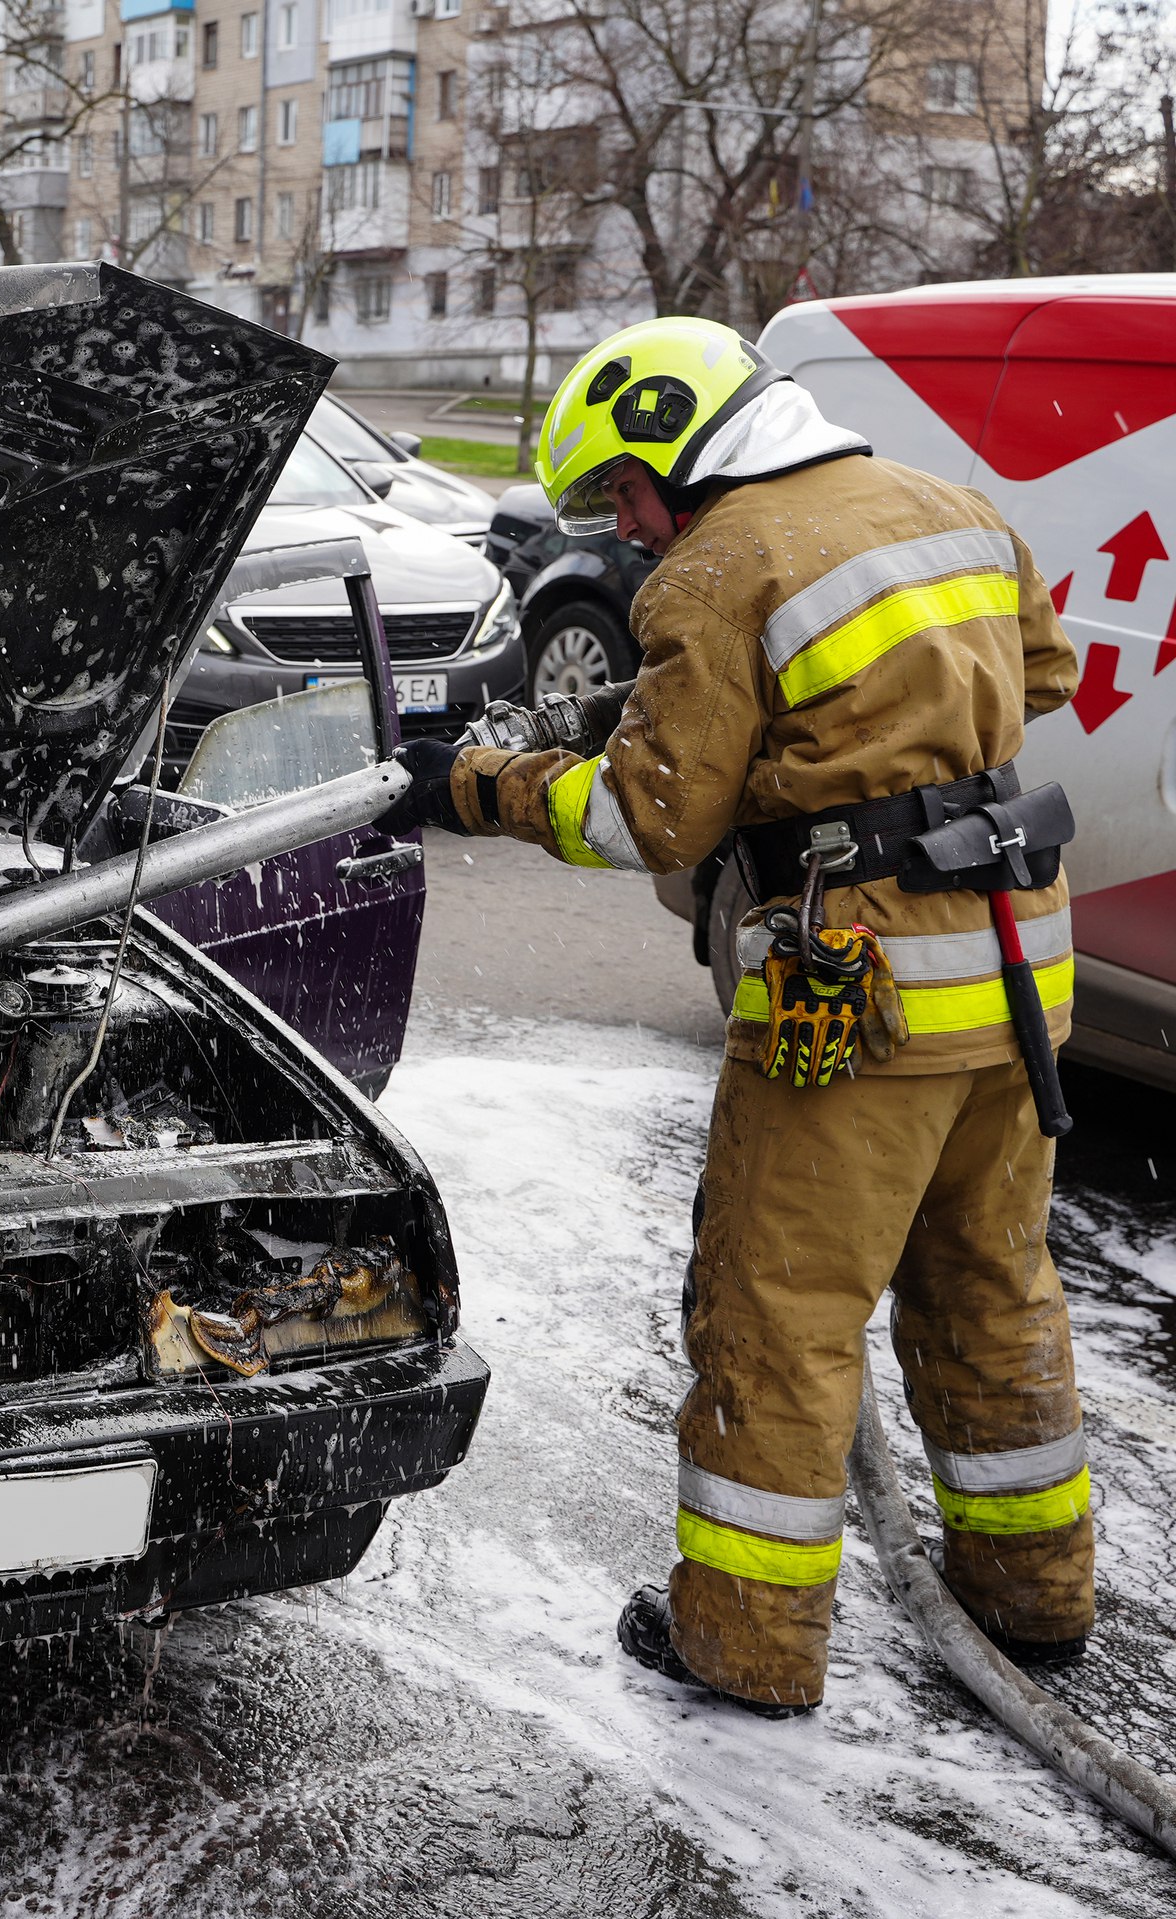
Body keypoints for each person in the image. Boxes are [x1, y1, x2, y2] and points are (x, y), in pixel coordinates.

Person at [382, 317, 1093, 1716]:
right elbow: (1044, 679)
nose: (626, 526)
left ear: (685, 446)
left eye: (628, 493)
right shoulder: (952, 507)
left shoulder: (721, 563)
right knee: (992, 1284)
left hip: (860, 1008)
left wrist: (472, 786)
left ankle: (745, 1644)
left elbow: (651, 815)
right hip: (1016, 983)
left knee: (777, 1319)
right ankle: (1035, 1599)